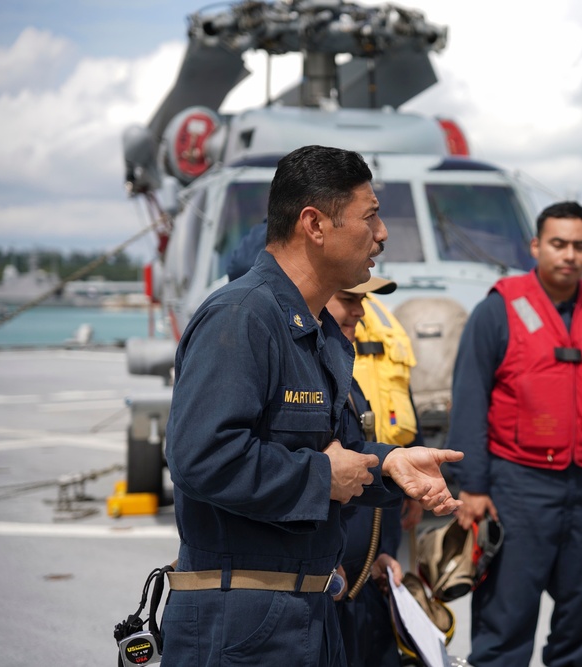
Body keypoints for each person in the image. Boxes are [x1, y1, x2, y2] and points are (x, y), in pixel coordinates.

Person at [161, 145, 463, 667]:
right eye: (369, 217)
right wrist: (321, 477)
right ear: (314, 224)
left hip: (309, 613)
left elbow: (334, 451)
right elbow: (201, 458)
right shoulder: (242, 317)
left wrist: (389, 463)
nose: (383, 234)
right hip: (243, 624)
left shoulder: (316, 329)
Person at [446, 201, 582, 667]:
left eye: (579, 246)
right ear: (536, 246)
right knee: (506, 621)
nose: (570, 255)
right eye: (559, 244)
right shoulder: (497, 309)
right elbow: (470, 398)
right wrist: (473, 487)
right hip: (518, 486)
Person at [326, 275, 424, 667]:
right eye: (347, 298)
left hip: (363, 578)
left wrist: (378, 555)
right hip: (323, 588)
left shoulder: (344, 380)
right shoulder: (298, 377)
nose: (360, 311)